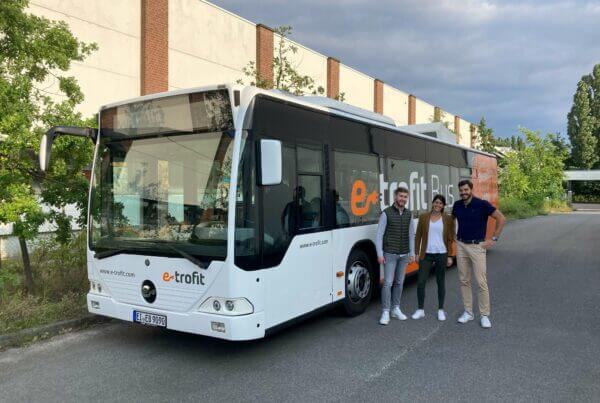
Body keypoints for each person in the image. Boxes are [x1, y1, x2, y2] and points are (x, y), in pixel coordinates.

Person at [452, 179, 505, 329]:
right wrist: (453, 236)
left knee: (481, 282)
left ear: (471, 189)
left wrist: (493, 238)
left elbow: (501, 218)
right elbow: (451, 220)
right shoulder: (457, 205)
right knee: (464, 280)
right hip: (461, 245)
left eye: (466, 190)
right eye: (461, 190)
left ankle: (484, 315)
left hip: (477, 246)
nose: (463, 193)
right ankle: (468, 312)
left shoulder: (482, 204)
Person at [375, 187, 415, 325]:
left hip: (404, 254)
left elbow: (411, 235)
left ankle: (395, 308)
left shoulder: (409, 214)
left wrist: (412, 253)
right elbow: (379, 235)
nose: (403, 199)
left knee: (399, 283)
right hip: (390, 254)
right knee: (387, 283)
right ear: (395, 197)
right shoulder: (386, 213)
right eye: (400, 196)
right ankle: (385, 311)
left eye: (405, 197)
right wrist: (380, 254)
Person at [412, 194, 455, 321]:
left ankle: (441, 309)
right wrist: (415, 252)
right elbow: (418, 235)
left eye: (440, 203)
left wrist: (450, 255)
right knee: (421, 282)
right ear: (432, 203)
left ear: (443, 205)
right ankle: (420, 310)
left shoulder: (447, 219)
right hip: (426, 254)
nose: (438, 205)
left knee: (440, 282)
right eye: (436, 202)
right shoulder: (424, 217)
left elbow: (450, 238)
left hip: (442, 253)